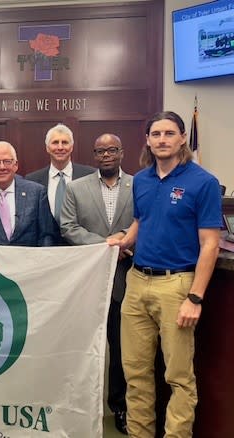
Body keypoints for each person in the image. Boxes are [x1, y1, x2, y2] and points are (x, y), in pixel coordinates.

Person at [108, 111, 221, 437]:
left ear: (182, 138)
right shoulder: (141, 180)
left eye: (169, 133)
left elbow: (210, 245)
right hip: (137, 282)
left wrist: (195, 298)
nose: (162, 139)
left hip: (178, 286)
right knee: (136, 373)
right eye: (156, 134)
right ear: (147, 140)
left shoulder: (203, 182)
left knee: (179, 377)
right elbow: (142, 220)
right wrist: (126, 239)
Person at [60, 133, 133, 435]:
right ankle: (72, 405)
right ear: (93, 155)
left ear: (121, 153)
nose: (106, 155)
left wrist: (125, 241)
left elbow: (147, 219)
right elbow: (68, 226)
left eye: (112, 150)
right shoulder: (76, 188)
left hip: (126, 277)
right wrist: (107, 244)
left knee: (121, 349)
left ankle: (118, 406)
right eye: (100, 151)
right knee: (78, 347)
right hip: (87, 279)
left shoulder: (139, 185)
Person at [25, 123, 95, 222]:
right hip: (46, 237)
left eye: (65, 142)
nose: (60, 147)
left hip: (81, 236)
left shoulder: (90, 175)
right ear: (47, 148)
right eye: (55, 142)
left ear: (71, 147)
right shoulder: (32, 180)